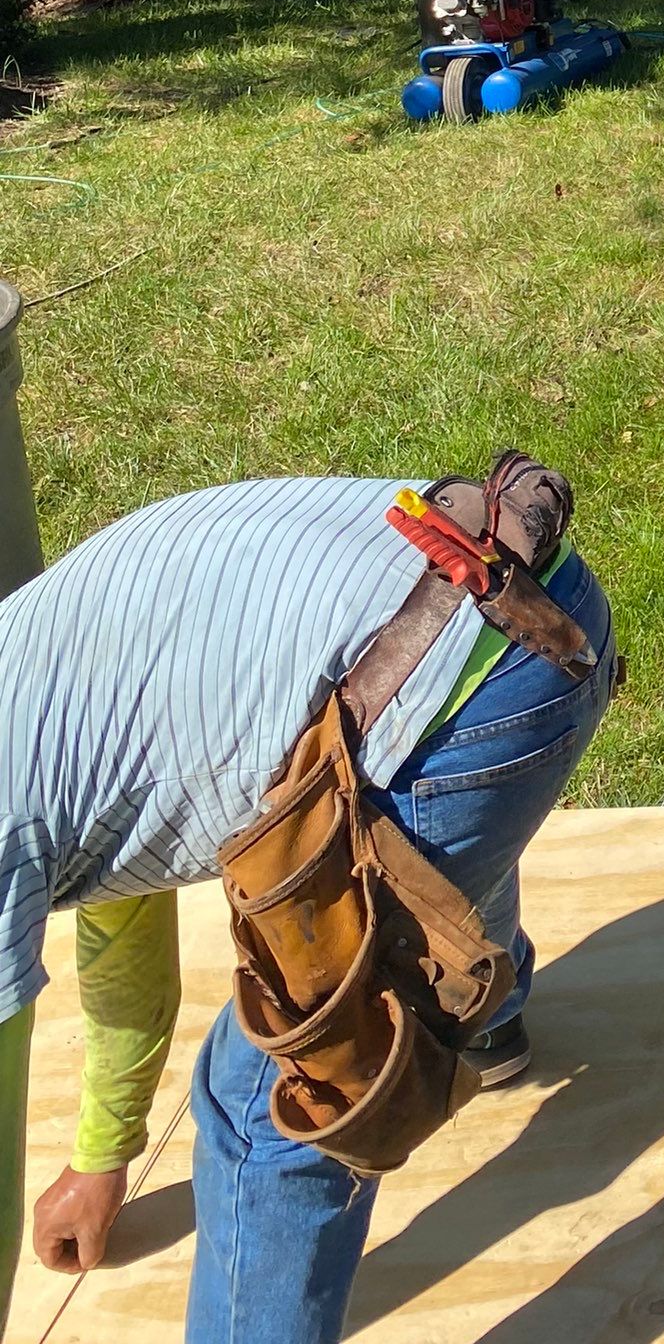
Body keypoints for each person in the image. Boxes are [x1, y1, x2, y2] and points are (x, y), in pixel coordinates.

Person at [0, 466, 616, 1343]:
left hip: (483, 683)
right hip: (523, 584)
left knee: (267, 1105)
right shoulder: (30, 710)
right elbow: (121, 921)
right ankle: (488, 1017)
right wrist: (104, 1156)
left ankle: (456, 1007)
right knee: (393, 817)